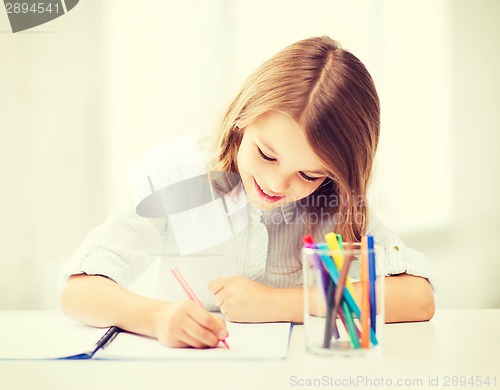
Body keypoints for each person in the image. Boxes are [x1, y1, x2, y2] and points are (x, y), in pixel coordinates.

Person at [60, 36, 435, 349]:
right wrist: (156, 317)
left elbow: (417, 297)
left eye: (308, 173)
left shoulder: (335, 201)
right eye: (267, 154)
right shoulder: (180, 176)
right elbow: (78, 292)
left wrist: (276, 303)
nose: (276, 185)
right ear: (242, 118)